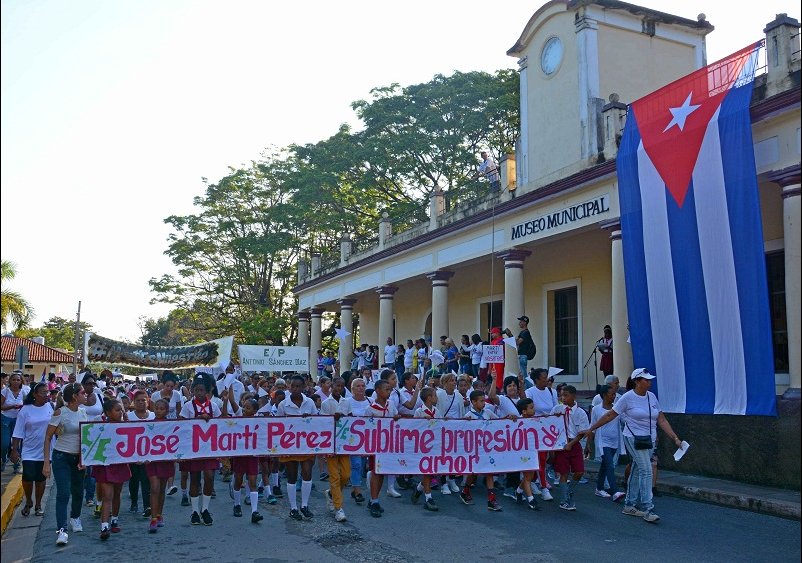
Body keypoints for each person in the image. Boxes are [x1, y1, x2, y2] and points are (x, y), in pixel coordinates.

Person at [581, 368, 684, 524]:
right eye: (646, 380)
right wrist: (592, 428)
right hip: (633, 438)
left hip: (649, 439)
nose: (649, 382)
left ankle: (629, 504)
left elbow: (661, 420)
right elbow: (610, 415)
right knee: (646, 470)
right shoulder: (627, 398)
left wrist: (675, 438)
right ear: (637, 381)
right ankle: (648, 508)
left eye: (650, 380)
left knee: (637, 468)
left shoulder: (652, 397)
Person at [42, 382, 88, 546]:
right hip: (61, 457)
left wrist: (84, 459)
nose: (86, 395)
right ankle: (61, 530)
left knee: (78, 491)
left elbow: (86, 438)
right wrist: (46, 463)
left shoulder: (84, 413)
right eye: (83, 392)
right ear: (75, 396)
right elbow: (48, 437)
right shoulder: (60, 412)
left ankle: (75, 517)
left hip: (78, 458)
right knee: (63, 493)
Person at [179, 374, 221, 526]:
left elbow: (220, 425)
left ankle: (205, 509)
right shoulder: (188, 406)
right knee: (195, 478)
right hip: (193, 448)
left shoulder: (214, 406)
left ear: (208, 391)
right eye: (196, 390)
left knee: (209, 476)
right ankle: (195, 511)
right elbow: (182, 426)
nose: (199, 393)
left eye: (202, 390)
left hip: (210, 448)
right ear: (192, 391)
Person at [277, 375, 318, 521]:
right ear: (289, 387)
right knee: (292, 475)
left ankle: (305, 505)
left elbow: (317, 421)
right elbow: (278, 425)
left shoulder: (309, 402)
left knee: (307, 472)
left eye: (298, 386)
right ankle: (293, 507)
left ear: (304, 387)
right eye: (292, 386)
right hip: (290, 445)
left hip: (307, 444)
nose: (295, 389)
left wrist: (309, 419)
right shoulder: (283, 404)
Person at [460, 387, 506, 511]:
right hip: (475, 449)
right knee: (473, 473)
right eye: (481, 401)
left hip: (488, 447)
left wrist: (508, 418)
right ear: (473, 402)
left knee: (489, 472)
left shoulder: (487, 413)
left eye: (484, 400)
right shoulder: (468, 416)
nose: (483, 403)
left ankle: (491, 500)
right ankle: (465, 490)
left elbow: (498, 422)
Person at [10, 382, 53, 517]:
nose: (46, 395)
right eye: (43, 393)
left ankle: (38, 504)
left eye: (47, 392)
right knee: (28, 477)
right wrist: (15, 449)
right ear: (35, 394)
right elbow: (18, 431)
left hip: (46, 450)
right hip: (29, 449)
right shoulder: (25, 410)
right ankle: (29, 500)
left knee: (40, 478)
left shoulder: (51, 407)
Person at [222, 392, 264, 524]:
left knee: (252, 481)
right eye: (244, 406)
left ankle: (254, 511)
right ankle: (237, 504)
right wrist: (229, 389)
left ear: (255, 411)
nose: (245, 409)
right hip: (240, 453)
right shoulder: (239, 415)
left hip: (252, 454)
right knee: (238, 479)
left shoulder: (260, 420)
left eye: (248, 408)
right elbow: (233, 403)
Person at [93, 398, 132, 540]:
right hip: (105, 464)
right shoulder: (100, 426)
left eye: (121, 409)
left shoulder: (126, 426)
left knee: (117, 492)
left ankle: (114, 518)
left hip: (120, 463)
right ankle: (104, 525)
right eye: (117, 410)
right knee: (107, 495)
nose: (120, 412)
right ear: (108, 412)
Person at [550, 385, 589, 511]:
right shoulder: (557, 408)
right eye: (561, 395)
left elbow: (582, 432)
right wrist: (553, 418)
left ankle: (569, 491)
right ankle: (564, 500)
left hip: (574, 443)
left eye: (566, 395)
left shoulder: (581, 412)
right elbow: (548, 424)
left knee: (579, 472)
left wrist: (571, 444)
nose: (563, 398)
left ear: (573, 396)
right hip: (561, 445)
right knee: (564, 473)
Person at [319, 376, 351, 523]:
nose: (339, 388)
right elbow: (323, 423)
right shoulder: (326, 403)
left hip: (344, 443)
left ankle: (332, 494)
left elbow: (351, 419)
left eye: (342, 386)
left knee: (345, 474)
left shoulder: (346, 402)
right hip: (330, 443)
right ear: (332, 386)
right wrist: (334, 417)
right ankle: (339, 508)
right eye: (337, 385)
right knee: (334, 475)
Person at [366, 379, 399, 517]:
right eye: (386, 389)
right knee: (375, 472)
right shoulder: (370, 409)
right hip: (376, 444)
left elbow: (395, 418)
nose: (389, 392)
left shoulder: (390, 405)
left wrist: (397, 418)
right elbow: (366, 427)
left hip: (388, 444)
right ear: (378, 391)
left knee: (381, 473)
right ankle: (374, 501)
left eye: (390, 389)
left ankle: (374, 499)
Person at [587, 384, 625, 502]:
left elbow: (624, 421)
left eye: (615, 394)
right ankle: (615, 491)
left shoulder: (616, 409)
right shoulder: (596, 409)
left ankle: (599, 488)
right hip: (602, 442)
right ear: (604, 395)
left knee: (605, 465)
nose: (614, 396)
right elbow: (592, 427)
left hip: (615, 441)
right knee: (610, 464)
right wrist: (589, 443)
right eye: (612, 394)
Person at [524, 368, 557, 500]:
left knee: (547, 458)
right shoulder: (530, 392)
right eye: (544, 377)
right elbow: (527, 410)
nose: (547, 379)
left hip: (549, 430)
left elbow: (555, 409)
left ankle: (524, 487)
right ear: (537, 379)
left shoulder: (551, 391)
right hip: (534, 431)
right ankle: (542, 487)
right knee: (539, 459)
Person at [410, 387, 441, 512]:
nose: (436, 398)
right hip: (423, 446)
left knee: (433, 471)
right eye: (435, 395)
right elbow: (413, 427)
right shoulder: (419, 411)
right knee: (427, 470)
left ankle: (418, 489)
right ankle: (428, 498)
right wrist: (423, 422)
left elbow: (440, 424)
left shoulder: (436, 410)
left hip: (435, 444)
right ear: (429, 398)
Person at [146, 399, 173, 533]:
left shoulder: (170, 425)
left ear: (167, 411)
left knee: (162, 489)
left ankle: (159, 514)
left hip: (165, 460)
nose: (158, 410)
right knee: (154, 488)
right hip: (152, 460)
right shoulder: (149, 424)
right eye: (156, 408)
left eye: (162, 408)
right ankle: (153, 519)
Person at [127, 390, 154, 518]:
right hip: (133, 454)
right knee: (133, 480)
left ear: (148, 401)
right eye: (138, 400)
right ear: (134, 402)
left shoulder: (154, 416)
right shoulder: (128, 416)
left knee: (146, 480)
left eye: (143, 400)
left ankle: (147, 506)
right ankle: (133, 502)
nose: (141, 403)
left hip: (149, 453)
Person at [347, 377, 370, 505]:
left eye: (363, 386)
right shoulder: (347, 402)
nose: (361, 388)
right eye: (358, 386)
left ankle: (354, 486)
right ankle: (357, 491)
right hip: (353, 439)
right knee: (356, 464)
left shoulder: (370, 401)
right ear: (352, 388)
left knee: (362, 465)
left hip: (367, 438)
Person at [1, 370, 27, 473]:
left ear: (21, 381)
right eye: (14, 380)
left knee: (18, 443)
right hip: (5, 419)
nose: (16, 382)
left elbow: (28, 405)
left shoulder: (24, 392)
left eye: (18, 380)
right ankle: (3, 459)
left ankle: (17, 463)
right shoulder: (5, 391)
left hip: (19, 419)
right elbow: (1, 406)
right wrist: (12, 406)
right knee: (5, 443)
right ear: (10, 381)